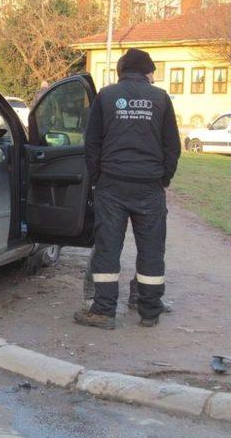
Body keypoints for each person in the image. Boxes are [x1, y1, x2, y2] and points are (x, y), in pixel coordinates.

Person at [74, 48, 181, 330]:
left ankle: (104, 311)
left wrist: (98, 178)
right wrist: (163, 179)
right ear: (147, 72)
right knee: (152, 250)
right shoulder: (161, 99)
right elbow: (172, 145)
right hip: (149, 187)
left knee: (108, 249)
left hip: (112, 185)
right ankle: (149, 312)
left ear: (121, 71)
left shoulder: (106, 96)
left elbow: (92, 142)